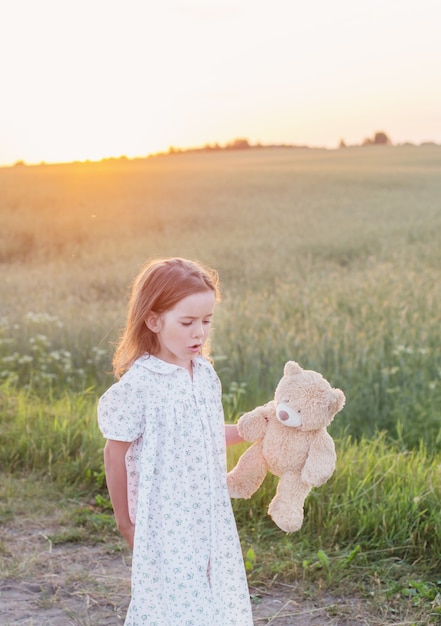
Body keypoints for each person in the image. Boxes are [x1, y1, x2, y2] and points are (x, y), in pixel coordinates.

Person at [97, 257, 253, 626]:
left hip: (210, 514)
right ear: (153, 321)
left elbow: (206, 437)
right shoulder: (140, 385)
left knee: (217, 601)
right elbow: (114, 453)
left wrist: (253, 428)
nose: (198, 333)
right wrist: (125, 521)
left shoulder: (205, 374)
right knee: (175, 607)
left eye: (206, 321)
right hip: (167, 520)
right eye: (187, 323)